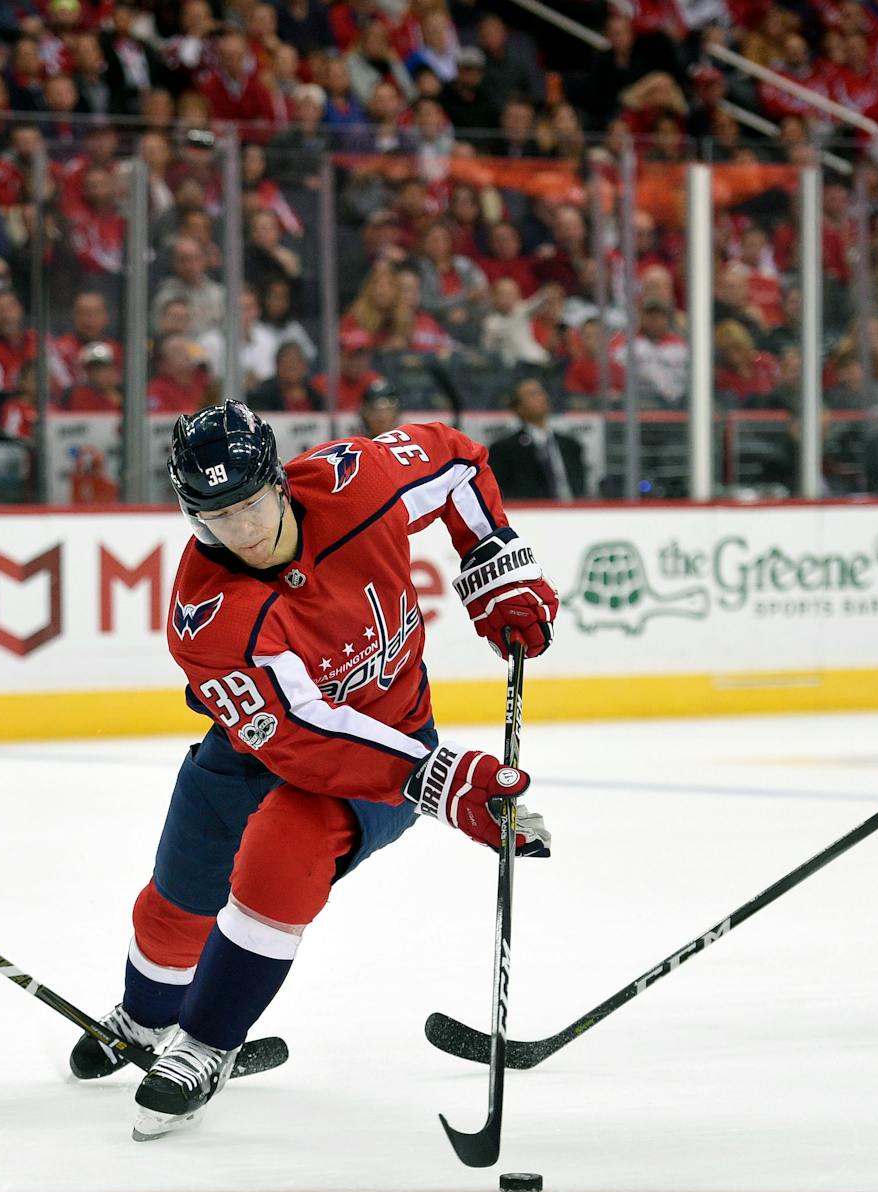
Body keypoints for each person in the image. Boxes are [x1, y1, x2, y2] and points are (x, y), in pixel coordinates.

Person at [70, 401, 558, 1140]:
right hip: (263, 748)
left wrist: (491, 560)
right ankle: (143, 1018)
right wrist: (444, 780)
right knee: (176, 903)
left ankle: (205, 1044)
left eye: (248, 506)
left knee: (283, 853)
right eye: (214, 519)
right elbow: (303, 735)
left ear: (279, 483)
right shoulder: (206, 615)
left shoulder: (356, 482)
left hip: (384, 751)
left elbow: (458, 462)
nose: (240, 533)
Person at [487, 378, 589, 501]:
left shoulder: (570, 445)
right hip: (531, 510)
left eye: (542, 392)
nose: (542, 397)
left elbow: (580, 487)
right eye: (532, 394)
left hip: (573, 509)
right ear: (519, 407)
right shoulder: (504, 449)